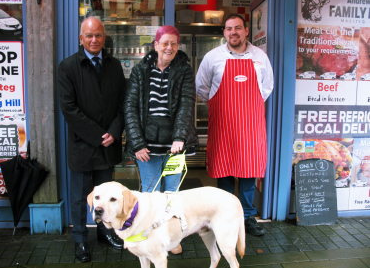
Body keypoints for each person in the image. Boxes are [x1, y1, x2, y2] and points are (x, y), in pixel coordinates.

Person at [195, 14, 274, 237]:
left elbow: (266, 87)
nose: (234, 32)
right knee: (224, 172)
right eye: (229, 29)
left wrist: (250, 106)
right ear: (224, 33)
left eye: (238, 28)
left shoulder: (260, 57)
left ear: (246, 31)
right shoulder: (213, 57)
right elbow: (202, 88)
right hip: (223, 124)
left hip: (251, 124)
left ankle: (248, 217)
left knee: (249, 172)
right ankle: (225, 218)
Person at [124, 25, 198, 253]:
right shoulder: (140, 70)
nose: (169, 47)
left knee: (171, 194)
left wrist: (179, 138)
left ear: (178, 46)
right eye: (164, 43)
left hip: (174, 145)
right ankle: (150, 234)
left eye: (173, 44)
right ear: (156, 45)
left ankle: (172, 239)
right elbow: (130, 107)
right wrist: (136, 143)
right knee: (149, 192)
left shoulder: (184, 70)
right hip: (146, 144)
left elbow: (186, 105)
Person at [57, 16, 126, 262]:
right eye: (89, 35)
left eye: (98, 35)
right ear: (81, 38)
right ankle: (79, 240)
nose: (94, 40)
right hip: (83, 146)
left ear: (104, 37)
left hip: (108, 146)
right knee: (79, 198)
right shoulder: (68, 67)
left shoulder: (114, 65)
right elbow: (69, 109)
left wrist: (114, 132)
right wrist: (99, 136)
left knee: (107, 197)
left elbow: (122, 104)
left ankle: (105, 233)